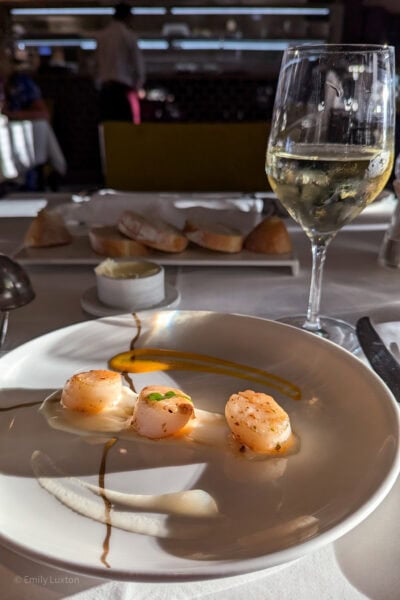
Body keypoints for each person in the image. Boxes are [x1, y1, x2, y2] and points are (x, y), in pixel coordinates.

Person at [95, 2, 145, 123]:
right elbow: (138, 66)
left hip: (104, 89)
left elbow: (96, 64)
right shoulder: (129, 36)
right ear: (128, 17)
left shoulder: (102, 36)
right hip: (122, 90)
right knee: (123, 128)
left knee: (106, 127)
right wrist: (138, 86)